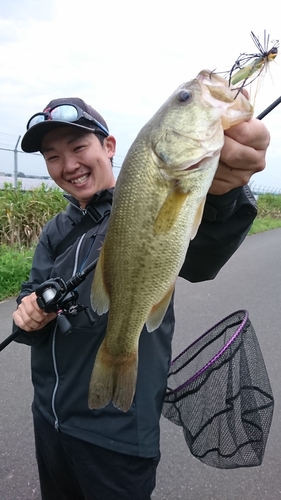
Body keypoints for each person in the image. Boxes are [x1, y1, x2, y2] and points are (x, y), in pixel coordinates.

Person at [13, 96, 270, 500]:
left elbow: (200, 255)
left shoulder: (146, 198)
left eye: (79, 148)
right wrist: (26, 315)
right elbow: (32, 292)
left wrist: (223, 195)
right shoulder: (56, 231)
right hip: (50, 420)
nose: (69, 165)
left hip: (118, 436)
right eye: (52, 157)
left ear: (109, 147)